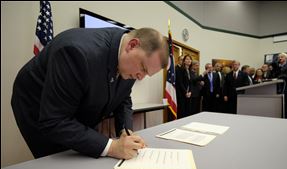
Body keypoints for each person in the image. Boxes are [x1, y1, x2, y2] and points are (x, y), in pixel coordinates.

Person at [11, 27, 169, 159]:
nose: (141, 77)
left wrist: (125, 131)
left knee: (91, 150)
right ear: (132, 45)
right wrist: (113, 147)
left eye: (146, 74)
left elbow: (123, 97)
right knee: (59, 161)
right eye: (143, 68)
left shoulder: (131, 63)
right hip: (37, 106)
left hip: (75, 106)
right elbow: (55, 120)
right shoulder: (77, 52)